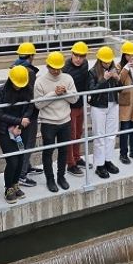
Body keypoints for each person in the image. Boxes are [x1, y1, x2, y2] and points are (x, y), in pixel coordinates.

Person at [35, 51, 78, 192]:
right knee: (48, 152)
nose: (56, 70)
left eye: (58, 67)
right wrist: (54, 93)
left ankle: (61, 176)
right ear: (47, 66)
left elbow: (75, 99)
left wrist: (65, 92)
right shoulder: (40, 81)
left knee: (63, 150)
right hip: (48, 123)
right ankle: (50, 179)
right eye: (53, 67)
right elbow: (38, 104)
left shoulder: (67, 78)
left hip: (65, 121)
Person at [0, 66, 33, 203]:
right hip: (5, 131)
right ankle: (8, 188)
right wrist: (17, 122)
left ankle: (15, 184)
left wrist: (20, 124)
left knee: (21, 158)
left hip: (22, 130)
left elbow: (30, 107)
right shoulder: (1, 91)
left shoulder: (28, 90)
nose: (18, 87)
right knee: (12, 161)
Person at [88, 46, 122, 179]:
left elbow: (120, 89)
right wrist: (104, 79)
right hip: (98, 106)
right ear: (99, 60)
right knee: (99, 136)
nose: (107, 64)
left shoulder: (113, 70)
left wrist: (117, 78)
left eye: (109, 61)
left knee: (111, 134)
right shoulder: (92, 72)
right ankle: (99, 165)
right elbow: (92, 90)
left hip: (113, 104)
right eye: (105, 61)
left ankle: (108, 160)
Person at [13, 42, 42, 187]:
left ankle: (27, 167)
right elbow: (32, 94)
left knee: (23, 143)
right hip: (28, 114)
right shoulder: (29, 72)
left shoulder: (14, 67)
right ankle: (22, 175)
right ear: (31, 56)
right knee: (28, 144)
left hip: (19, 112)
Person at [63, 41, 90, 176]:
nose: (78, 59)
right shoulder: (65, 68)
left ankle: (77, 156)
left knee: (79, 133)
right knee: (71, 135)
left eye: (82, 56)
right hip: (69, 107)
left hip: (81, 104)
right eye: (76, 55)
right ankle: (70, 163)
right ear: (72, 54)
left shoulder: (85, 64)